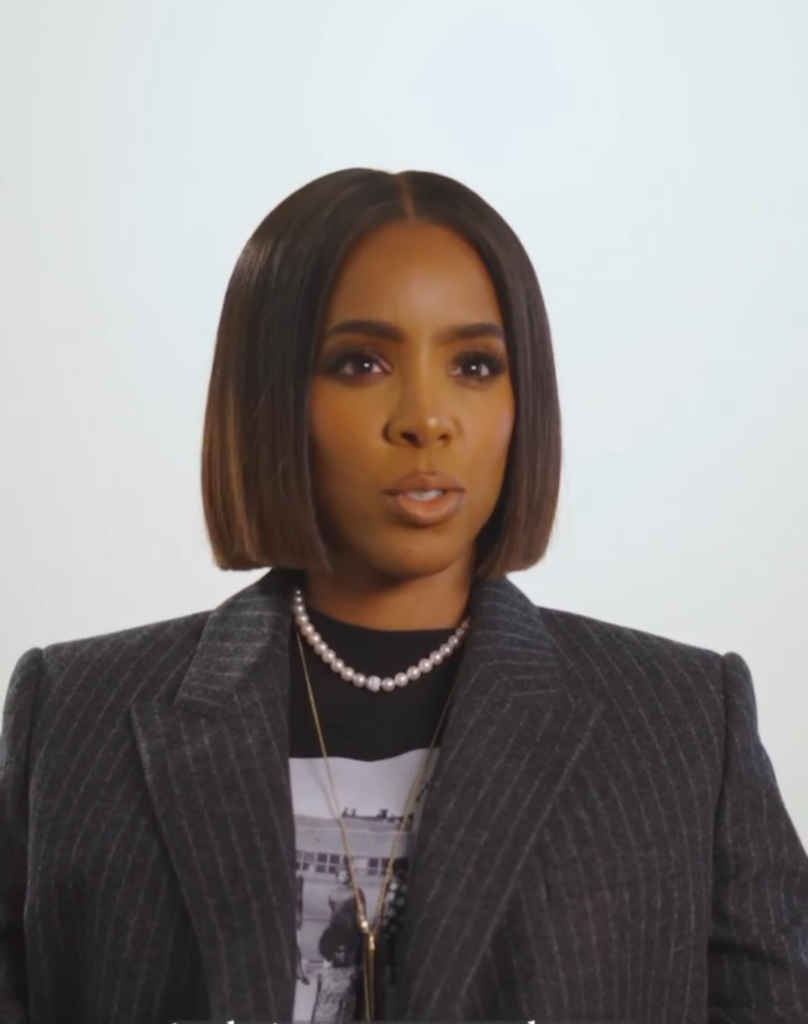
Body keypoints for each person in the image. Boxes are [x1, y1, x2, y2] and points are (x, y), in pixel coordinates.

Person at [1, 166, 806, 1024]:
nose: (426, 418)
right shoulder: (76, 713)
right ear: (269, 394)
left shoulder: (682, 722)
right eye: (361, 363)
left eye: (474, 364)